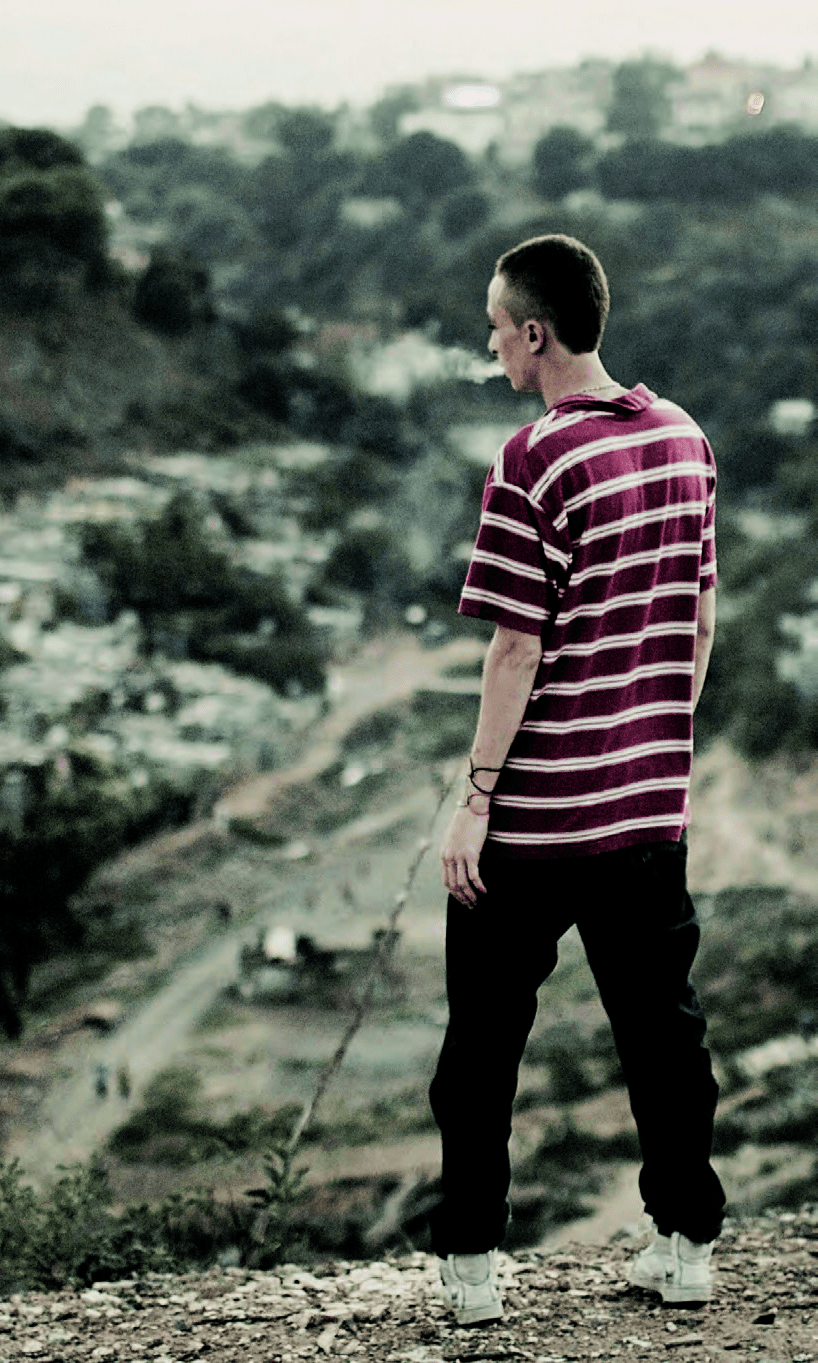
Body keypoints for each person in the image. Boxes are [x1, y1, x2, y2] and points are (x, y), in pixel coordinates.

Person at [431, 234, 726, 1326]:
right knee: (662, 1034)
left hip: (538, 822)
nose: (492, 342)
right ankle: (686, 1245)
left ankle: (471, 1272)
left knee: (482, 1048)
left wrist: (475, 796)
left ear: (537, 333)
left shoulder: (533, 460)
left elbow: (515, 649)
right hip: (646, 811)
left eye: (498, 326)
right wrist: (651, 737)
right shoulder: (685, 440)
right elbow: (699, 616)